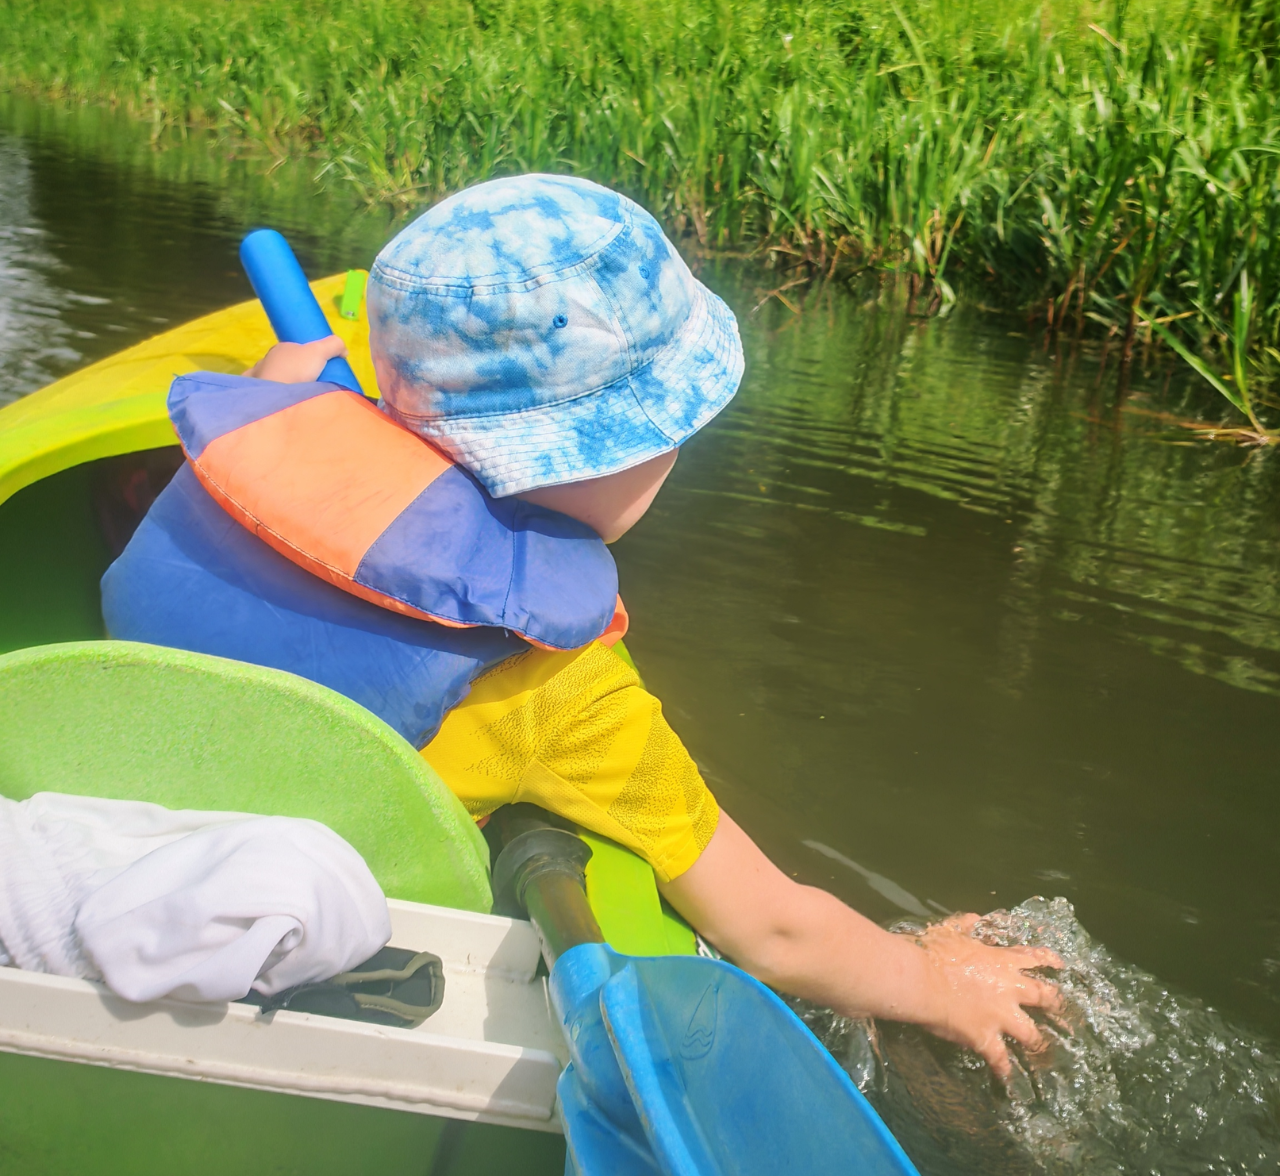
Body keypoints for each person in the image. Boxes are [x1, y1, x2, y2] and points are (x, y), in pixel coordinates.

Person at [106, 174, 1060, 1074]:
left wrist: (304, 388)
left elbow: (295, 391)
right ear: (619, 445)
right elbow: (772, 929)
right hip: (330, 949)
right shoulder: (560, 687)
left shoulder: (256, 434)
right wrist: (939, 985)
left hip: (128, 811)